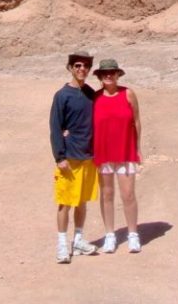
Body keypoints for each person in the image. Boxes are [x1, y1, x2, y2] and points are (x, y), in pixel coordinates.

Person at [49, 51, 100, 263]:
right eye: (77, 65)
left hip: (88, 156)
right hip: (69, 158)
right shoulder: (62, 95)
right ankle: (62, 245)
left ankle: (78, 239)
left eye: (86, 66)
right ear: (70, 67)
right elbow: (55, 127)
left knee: (81, 202)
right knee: (65, 202)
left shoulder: (90, 93)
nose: (82, 70)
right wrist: (59, 156)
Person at [92, 58, 142, 253]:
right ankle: (110, 235)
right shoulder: (95, 98)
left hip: (125, 150)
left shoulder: (128, 94)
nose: (109, 75)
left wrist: (138, 148)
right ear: (99, 77)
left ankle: (132, 234)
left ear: (118, 74)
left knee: (128, 194)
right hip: (103, 152)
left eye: (112, 72)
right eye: (105, 73)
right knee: (107, 194)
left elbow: (137, 121)